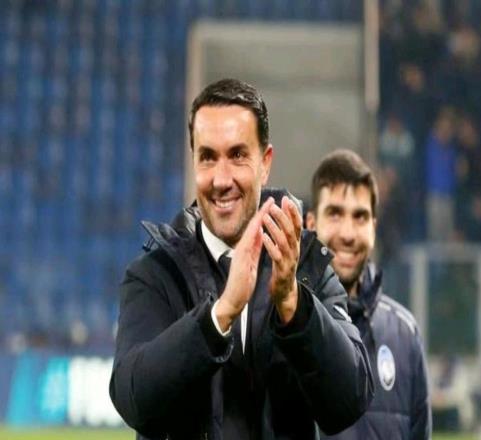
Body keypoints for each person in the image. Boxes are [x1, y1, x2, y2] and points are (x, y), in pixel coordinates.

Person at [109, 79, 374, 440]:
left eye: (237, 155)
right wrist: (220, 315)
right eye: (208, 157)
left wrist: (293, 305)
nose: (222, 179)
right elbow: (134, 401)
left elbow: (349, 400)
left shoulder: (306, 268)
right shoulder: (156, 274)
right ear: (193, 163)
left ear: (265, 163)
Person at [306, 149, 431, 439]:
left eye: (360, 217)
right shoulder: (284, 327)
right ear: (311, 224)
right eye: (335, 213)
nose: (348, 234)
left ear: (374, 227)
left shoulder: (404, 334)